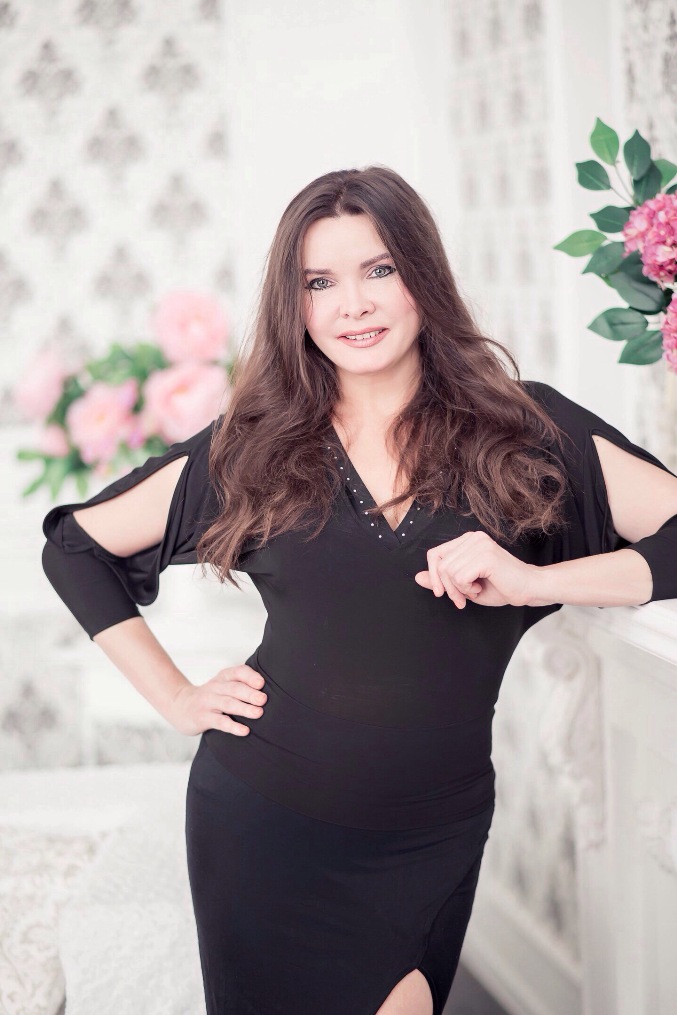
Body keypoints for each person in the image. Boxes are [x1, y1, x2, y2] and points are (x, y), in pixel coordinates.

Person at [41, 165, 677, 1015]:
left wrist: (534, 579)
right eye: (319, 283)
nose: (353, 305)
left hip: (428, 837)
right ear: (294, 303)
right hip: (261, 825)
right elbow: (75, 546)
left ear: (422, 274)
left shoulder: (523, 430)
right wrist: (176, 697)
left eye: (379, 269)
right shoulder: (255, 447)